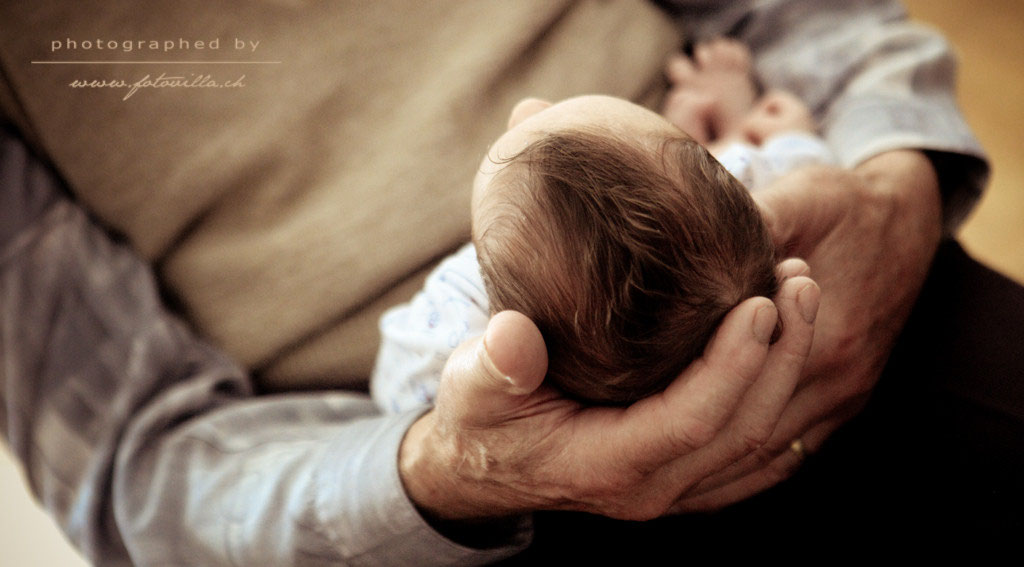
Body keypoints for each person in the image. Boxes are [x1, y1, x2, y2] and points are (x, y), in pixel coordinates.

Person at [0, 2, 1017, 566]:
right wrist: (442, 466)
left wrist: (891, 187)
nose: (523, 96)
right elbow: (136, 464)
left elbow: (806, 27)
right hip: (434, 518)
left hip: (840, 295)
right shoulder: (480, 324)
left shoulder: (461, 325)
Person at [374, 40, 833, 410]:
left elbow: (395, 387)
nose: (529, 106)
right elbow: (804, 165)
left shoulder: (466, 305)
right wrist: (754, 124)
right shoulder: (748, 194)